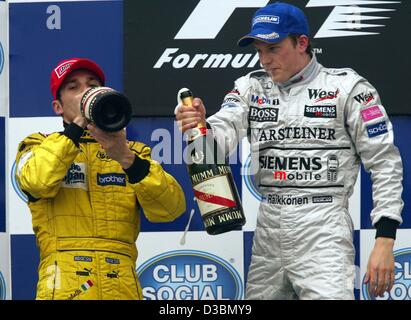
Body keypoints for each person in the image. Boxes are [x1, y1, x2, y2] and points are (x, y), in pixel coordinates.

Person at [175, 2, 403, 300]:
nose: (264, 59)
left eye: (273, 48)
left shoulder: (348, 87)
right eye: (259, 50)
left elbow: (385, 163)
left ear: (302, 43)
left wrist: (385, 239)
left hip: (324, 225)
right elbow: (219, 141)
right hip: (269, 224)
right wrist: (199, 125)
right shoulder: (250, 87)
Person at [15, 57, 186, 300]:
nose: (85, 91)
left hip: (122, 283)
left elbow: (171, 209)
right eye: (73, 87)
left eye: (91, 85)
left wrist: (125, 157)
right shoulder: (38, 144)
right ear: (58, 106)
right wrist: (76, 127)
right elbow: (37, 182)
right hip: (66, 284)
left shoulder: (133, 152)